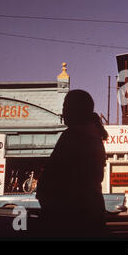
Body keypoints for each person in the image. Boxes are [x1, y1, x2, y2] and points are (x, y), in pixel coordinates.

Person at [36, 90, 108, 238]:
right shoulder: (93, 137)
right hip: (88, 215)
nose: (63, 111)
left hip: (72, 219)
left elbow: (56, 177)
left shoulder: (73, 137)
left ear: (77, 110)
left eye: (66, 106)